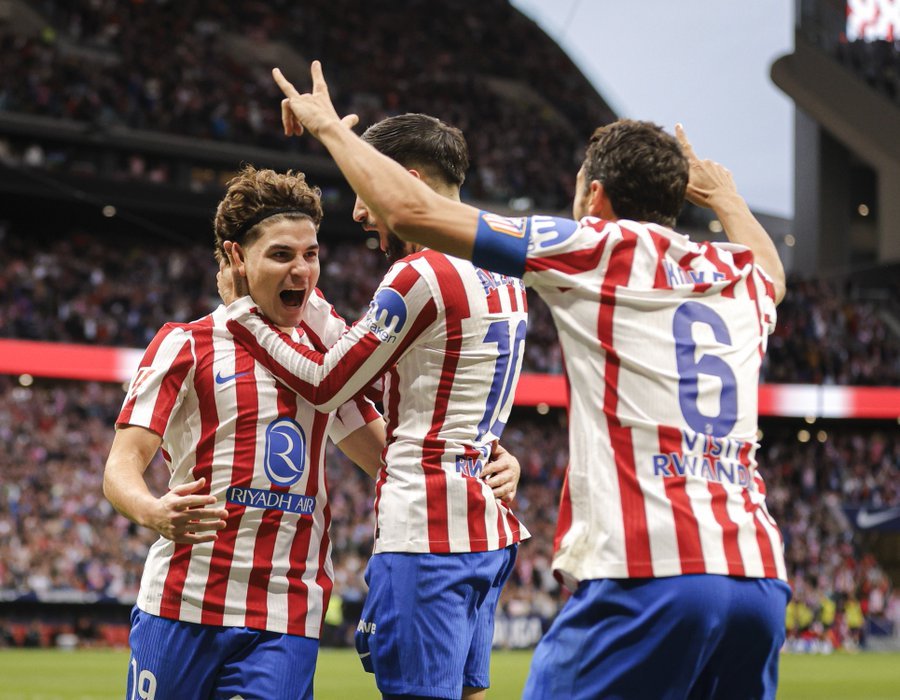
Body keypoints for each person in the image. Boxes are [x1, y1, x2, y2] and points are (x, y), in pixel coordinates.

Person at [271, 61, 791, 700]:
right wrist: (726, 197)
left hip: (648, 566)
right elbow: (773, 269)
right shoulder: (739, 275)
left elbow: (412, 209)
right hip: (758, 573)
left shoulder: (594, 246)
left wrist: (328, 128)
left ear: (594, 197)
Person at [222, 112, 529, 700]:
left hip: (427, 534)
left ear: (403, 179)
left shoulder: (420, 272)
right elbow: (410, 371)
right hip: (485, 527)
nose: (360, 213)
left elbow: (325, 384)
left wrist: (244, 316)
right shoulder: (503, 263)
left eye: (365, 191)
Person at [103, 164, 387, 699]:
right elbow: (121, 465)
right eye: (282, 255)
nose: (302, 271)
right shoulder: (186, 343)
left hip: (285, 610)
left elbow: (389, 464)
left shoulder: (326, 361)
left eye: (311, 254)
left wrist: (486, 456)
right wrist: (152, 511)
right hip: (181, 602)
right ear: (236, 256)